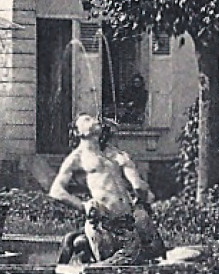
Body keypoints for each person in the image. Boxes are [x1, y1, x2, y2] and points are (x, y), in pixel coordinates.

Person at [48, 113, 164, 265]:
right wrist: (83, 206)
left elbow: (139, 187)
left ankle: (82, 245)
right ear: (78, 132)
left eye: (94, 119)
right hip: (104, 223)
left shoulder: (114, 155)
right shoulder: (77, 158)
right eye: (87, 119)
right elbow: (56, 191)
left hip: (128, 220)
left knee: (155, 252)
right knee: (116, 264)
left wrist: (138, 185)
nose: (94, 120)